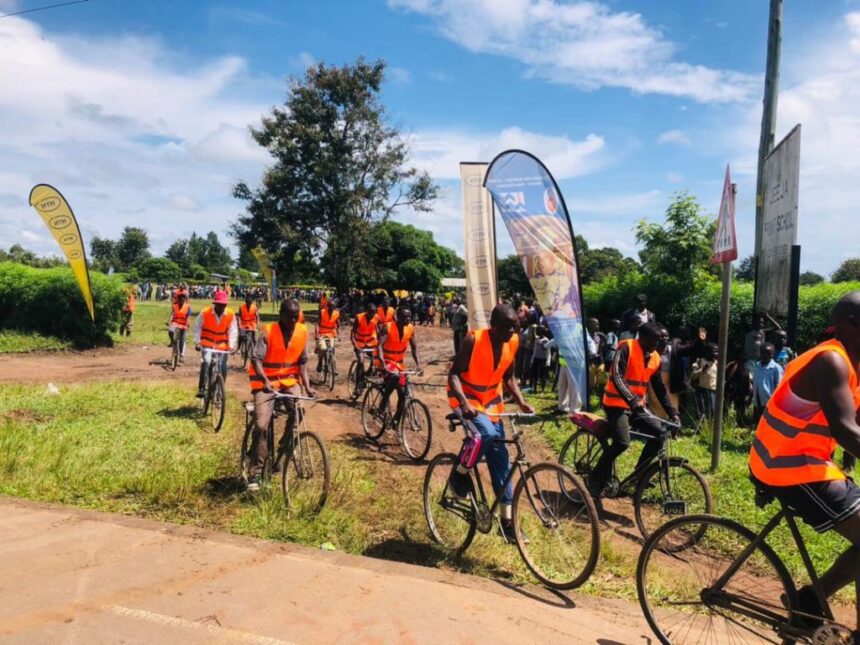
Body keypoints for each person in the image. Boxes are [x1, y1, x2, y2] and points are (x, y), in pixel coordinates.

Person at [749, 292, 860, 631]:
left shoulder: (854, 361)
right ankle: (810, 600)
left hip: (809, 461)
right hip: (786, 464)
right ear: (850, 326)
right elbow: (845, 430)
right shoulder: (832, 360)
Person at [447, 304, 534, 541]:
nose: (512, 331)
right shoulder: (473, 339)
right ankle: (459, 474)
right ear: (492, 325)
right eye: (507, 327)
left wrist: (521, 401)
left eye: (514, 326)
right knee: (483, 433)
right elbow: (453, 374)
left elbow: (509, 376)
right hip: (465, 399)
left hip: (492, 404)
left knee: (502, 461)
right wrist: (464, 403)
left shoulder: (513, 341)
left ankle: (507, 523)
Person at [592, 322, 680, 498]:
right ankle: (595, 476)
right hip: (616, 404)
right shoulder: (626, 347)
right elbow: (616, 375)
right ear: (642, 337)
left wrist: (673, 413)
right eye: (654, 341)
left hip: (637, 407)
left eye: (659, 342)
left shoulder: (655, 358)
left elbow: (659, 388)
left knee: (660, 433)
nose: (657, 346)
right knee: (622, 442)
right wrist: (632, 400)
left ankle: (639, 476)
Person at [246, 299, 316, 491]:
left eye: (296, 316)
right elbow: (256, 359)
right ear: (281, 316)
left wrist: (307, 387)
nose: (294, 320)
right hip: (265, 383)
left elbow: (302, 362)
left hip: (288, 382)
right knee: (261, 426)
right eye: (290, 317)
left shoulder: (302, 331)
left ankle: (285, 444)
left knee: (299, 411)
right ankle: (255, 472)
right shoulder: (268, 331)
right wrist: (266, 381)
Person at [375, 305, 423, 421]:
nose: (408, 319)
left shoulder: (410, 328)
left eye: (409, 317)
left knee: (403, 392)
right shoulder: (388, 327)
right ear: (397, 317)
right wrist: (382, 362)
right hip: (385, 362)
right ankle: (381, 407)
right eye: (405, 317)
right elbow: (380, 345)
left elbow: (414, 347)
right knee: (395, 378)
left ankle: (396, 421)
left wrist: (419, 365)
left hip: (399, 364)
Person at [193, 290, 237, 398]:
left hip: (222, 346)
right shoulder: (205, 312)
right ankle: (202, 388)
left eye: (223, 305)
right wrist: (198, 342)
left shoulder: (230, 314)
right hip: (207, 344)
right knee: (206, 361)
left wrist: (231, 345)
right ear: (215, 303)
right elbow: (197, 327)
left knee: (223, 367)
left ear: (226, 305)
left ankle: (220, 390)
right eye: (219, 304)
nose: (221, 307)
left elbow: (233, 330)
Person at [351, 301, 380, 391]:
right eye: (370, 312)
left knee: (376, 360)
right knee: (361, 361)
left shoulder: (376, 318)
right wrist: (355, 345)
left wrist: (380, 343)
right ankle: (357, 385)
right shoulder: (359, 317)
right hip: (359, 343)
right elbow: (352, 333)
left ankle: (367, 375)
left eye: (374, 312)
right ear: (366, 311)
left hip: (371, 343)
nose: (372, 314)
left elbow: (378, 331)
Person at [753, 342, 784, 424]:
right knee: (756, 421)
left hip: (768, 400)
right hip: (757, 399)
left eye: (768, 354)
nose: (766, 356)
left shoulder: (776, 368)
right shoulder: (757, 365)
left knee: (767, 422)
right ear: (760, 353)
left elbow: (779, 385)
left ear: (772, 354)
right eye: (763, 353)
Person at [690, 342, 719, 419]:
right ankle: (701, 429)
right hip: (702, 391)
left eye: (717, 351)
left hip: (713, 392)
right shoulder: (700, 361)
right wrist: (702, 369)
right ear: (708, 352)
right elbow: (693, 376)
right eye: (715, 351)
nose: (716, 354)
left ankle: (710, 429)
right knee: (702, 412)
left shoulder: (717, 363)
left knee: (712, 412)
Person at [315, 299, 341, 373]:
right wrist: (316, 334)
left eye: (333, 307)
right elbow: (317, 324)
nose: (331, 308)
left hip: (331, 334)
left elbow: (338, 325)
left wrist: (339, 335)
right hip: (321, 334)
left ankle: (333, 367)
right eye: (330, 307)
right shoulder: (322, 312)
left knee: (332, 350)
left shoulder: (336, 313)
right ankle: (320, 362)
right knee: (323, 348)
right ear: (327, 306)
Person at [166, 291, 191, 361]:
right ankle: (172, 342)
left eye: (183, 299)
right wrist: (169, 321)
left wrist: (188, 322)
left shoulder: (187, 307)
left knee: (182, 340)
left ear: (185, 300)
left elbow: (188, 316)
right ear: (178, 300)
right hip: (175, 323)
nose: (182, 301)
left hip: (183, 324)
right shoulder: (175, 306)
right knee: (170, 331)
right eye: (180, 299)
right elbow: (172, 314)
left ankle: (181, 356)